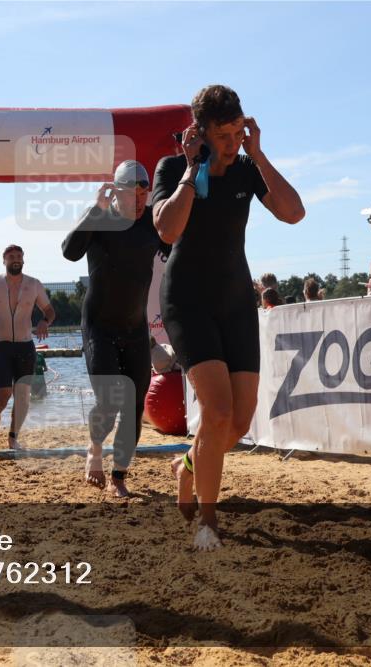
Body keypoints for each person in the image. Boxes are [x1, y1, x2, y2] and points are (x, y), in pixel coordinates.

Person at [152, 84, 304, 550]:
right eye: (223, 135)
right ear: (199, 132)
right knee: (216, 412)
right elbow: (167, 230)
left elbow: (294, 213)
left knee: (237, 423)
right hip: (187, 301)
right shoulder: (173, 168)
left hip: (235, 301)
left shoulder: (246, 168)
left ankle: (187, 466)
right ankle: (208, 521)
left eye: (239, 132)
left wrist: (258, 154)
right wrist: (192, 168)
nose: (233, 143)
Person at [62, 159, 171, 497]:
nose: (139, 201)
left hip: (135, 327)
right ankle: (95, 448)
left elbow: (176, 247)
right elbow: (69, 251)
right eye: (132, 194)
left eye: (143, 194)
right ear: (116, 192)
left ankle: (119, 476)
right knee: (108, 402)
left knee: (135, 405)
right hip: (99, 326)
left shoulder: (151, 222)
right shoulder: (100, 219)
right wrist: (95, 210)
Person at [0, 244, 56, 449]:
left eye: (19, 256)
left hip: (25, 347)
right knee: (2, 394)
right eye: (11, 256)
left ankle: (13, 437)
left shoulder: (34, 284)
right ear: (4, 260)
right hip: (0, 346)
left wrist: (45, 322)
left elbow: (50, 311)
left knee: (23, 397)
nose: (15, 259)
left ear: (23, 259)